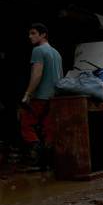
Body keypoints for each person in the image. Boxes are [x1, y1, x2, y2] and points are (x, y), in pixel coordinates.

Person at [20, 23, 63, 166]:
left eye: (33, 33)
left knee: (26, 123)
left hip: (40, 97)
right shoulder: (56, 53)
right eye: (29, 33)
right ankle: (48, 163)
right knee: (48, 129)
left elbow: (37, 74)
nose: (30, 36)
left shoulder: (38, 50)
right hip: (54, 97)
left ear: (43, 34)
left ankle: (36, 155)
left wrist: (27, 94)